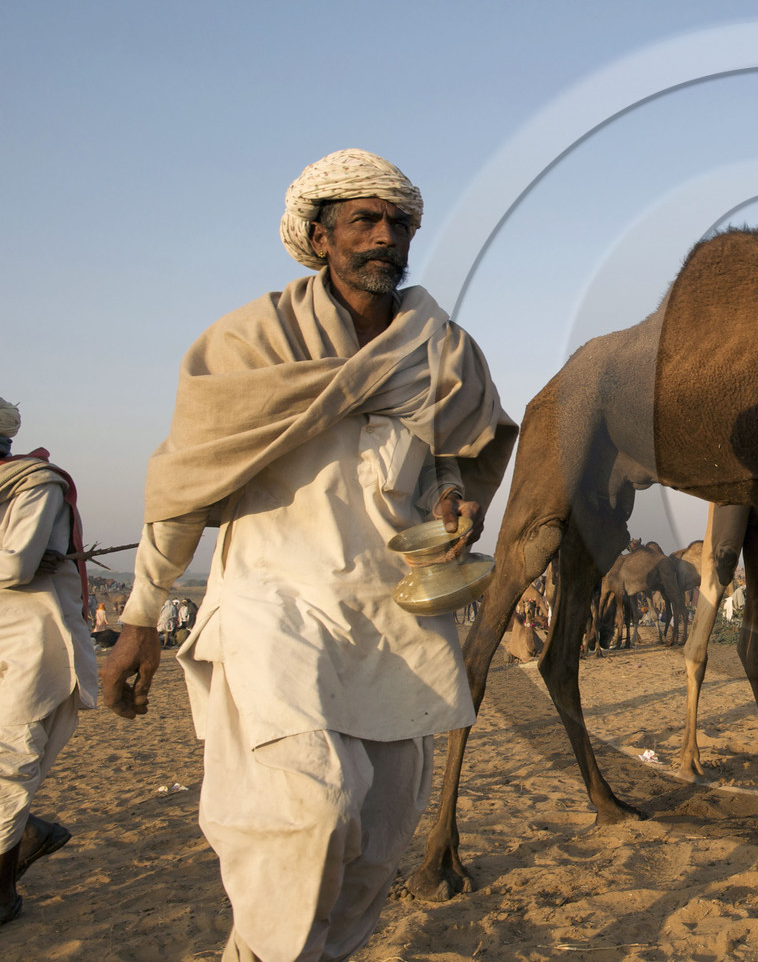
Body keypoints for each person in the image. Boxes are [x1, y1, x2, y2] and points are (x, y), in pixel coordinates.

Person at [101, 150, 517, 961]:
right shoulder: (250, 344)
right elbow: (186, 482)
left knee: (377, 841)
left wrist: (459, 498)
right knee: (312, 811)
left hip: (392, 616)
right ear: (320, 235)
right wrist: (142, 616)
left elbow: (461, 460)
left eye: (398, 222)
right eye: (364, 219)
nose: (384, 237)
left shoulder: (443, 354)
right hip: (273, 604)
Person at [0, 397, 96, 923]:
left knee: (8, 766)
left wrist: (30, 562)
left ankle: (3, 895)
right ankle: (31, 834)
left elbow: (15, 566)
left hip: (29, 647)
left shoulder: (36, 484)